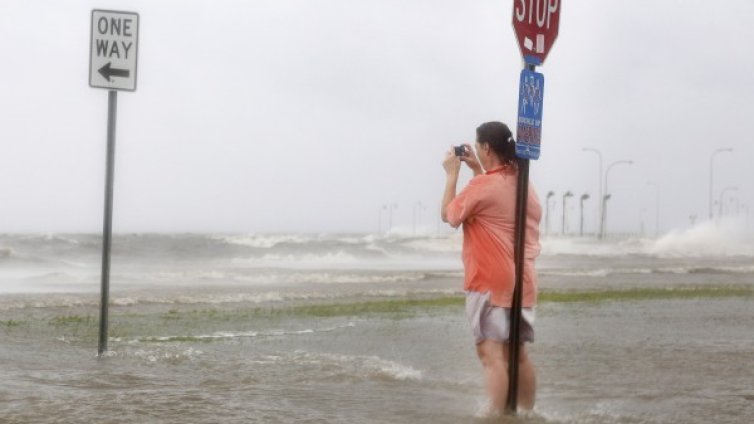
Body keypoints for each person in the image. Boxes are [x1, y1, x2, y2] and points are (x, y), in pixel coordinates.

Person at [440, 121, 542, 414]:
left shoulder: (483, 186)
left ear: (485, 148)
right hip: (524, 280)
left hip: (491, 281)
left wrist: (452, 174)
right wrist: (477, 171)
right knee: (517, 353)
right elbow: (495, 202)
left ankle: (499, 418)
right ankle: (525, 414)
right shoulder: (523, 182)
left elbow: (449, 215)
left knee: (491, 353)